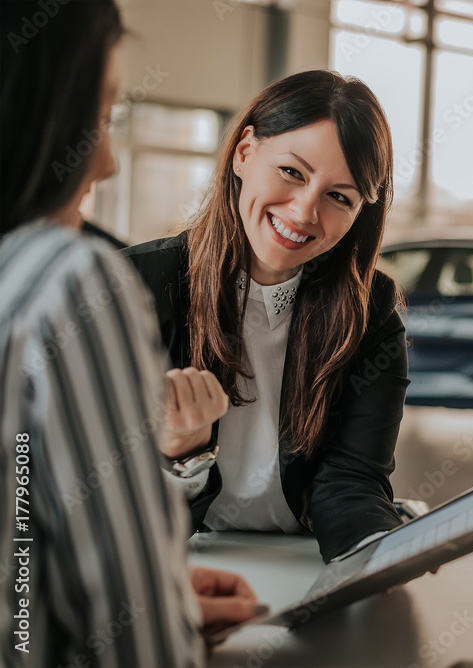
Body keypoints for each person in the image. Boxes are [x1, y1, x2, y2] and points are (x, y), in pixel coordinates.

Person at [0, 1, 260, 665]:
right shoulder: (70, 279)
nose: (108, 163)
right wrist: (158, 612)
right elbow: (136, 645)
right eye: (100, 119)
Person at [123, 69, 409, 563]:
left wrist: (379, 557)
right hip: (174, 562)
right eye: (292, 172)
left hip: (300, 563)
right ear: (244, 152)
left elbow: (353, 479)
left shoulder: (370, 310)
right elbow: (85, 501)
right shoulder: (133, 288)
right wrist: (180, 458)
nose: (303, 213)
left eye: (339, 197)